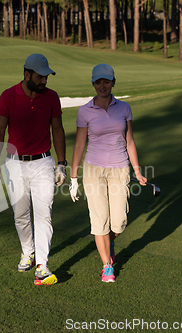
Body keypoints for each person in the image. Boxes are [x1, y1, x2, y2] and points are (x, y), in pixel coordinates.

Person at [0, 54, 67, 286]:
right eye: (40, 76)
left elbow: (58, 129)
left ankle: (42, 266)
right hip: (14, 164)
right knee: (21, 215)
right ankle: (28, 252)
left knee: (43, 213)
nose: (45, 81)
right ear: (27, 74)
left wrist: (61, 163)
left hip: (43, 163)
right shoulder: (8, 96)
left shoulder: (51, 97)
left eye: (46, 76)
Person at [69, 64, 147, 283]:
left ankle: (109, 241)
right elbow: (78, 145)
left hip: (120, 168)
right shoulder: (85, 111)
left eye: (106, 81)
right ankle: (107, 266)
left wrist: (138, 171)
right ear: (93, 84)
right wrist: (74, 178)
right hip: (94, 169)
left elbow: (130, 141)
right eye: (97, 82)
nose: (101, 86)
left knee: (119, 222)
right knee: (99, 220)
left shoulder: (124, 108)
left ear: (113, 82)